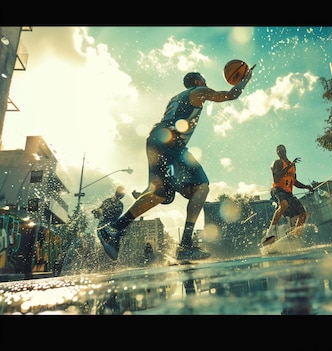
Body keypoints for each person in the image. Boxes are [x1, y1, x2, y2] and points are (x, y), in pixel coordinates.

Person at [97, 67, 254, 261]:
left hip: (157, 139)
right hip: (171, 143)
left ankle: (113, 229)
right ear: (197, 82)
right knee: (201, 187)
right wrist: (244, 79)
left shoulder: (177, 98)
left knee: (161, 194)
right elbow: (231, 94)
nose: (206, 83)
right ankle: (186, 245)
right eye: (203, 79)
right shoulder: (198, 92)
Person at [261, 144, 315, 246]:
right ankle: (270, 232)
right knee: (284, 205)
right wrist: (289, 166)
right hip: (277, 190)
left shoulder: (292, 165)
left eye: (282, 150)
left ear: (285, 151)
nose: (280, 152)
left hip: (288, 193)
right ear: (277, 153)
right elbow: (277, 178)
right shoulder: (277, 163)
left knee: (303, 214)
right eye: (278, 151)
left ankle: (295, 236)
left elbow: (294, 182)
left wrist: (306, 187)